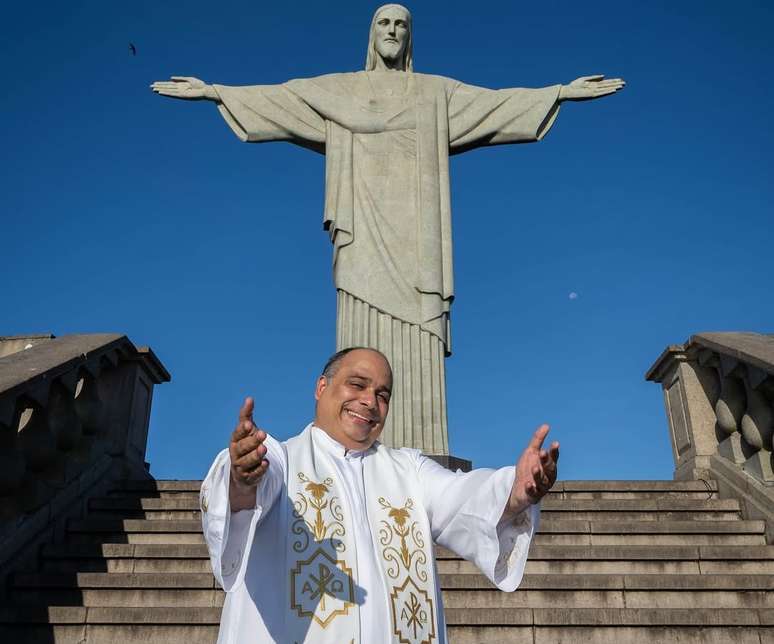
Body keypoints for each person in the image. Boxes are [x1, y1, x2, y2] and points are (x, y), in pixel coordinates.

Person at [151, 4, 625, 455]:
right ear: (372, 35)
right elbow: (283, 98)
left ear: (410, 35)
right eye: (384, 23)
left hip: (419, 243)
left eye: (401, 24)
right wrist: (215, 91)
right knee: (359, 329)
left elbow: (495, 106)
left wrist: (559, 92)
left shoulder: (435, 93)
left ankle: (421, 450)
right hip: (361, 232)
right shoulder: (340, 91)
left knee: (419, 334)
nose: (393, 31)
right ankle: (353, 445)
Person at [200, 347, 559, 643]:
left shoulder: (409, 470)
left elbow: (463, 496)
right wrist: (242, 479)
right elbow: (249, 491)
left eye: (382, 395)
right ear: (321, 387)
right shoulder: (282, 458)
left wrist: (515, 491)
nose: (370, 401)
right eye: (357, 385)